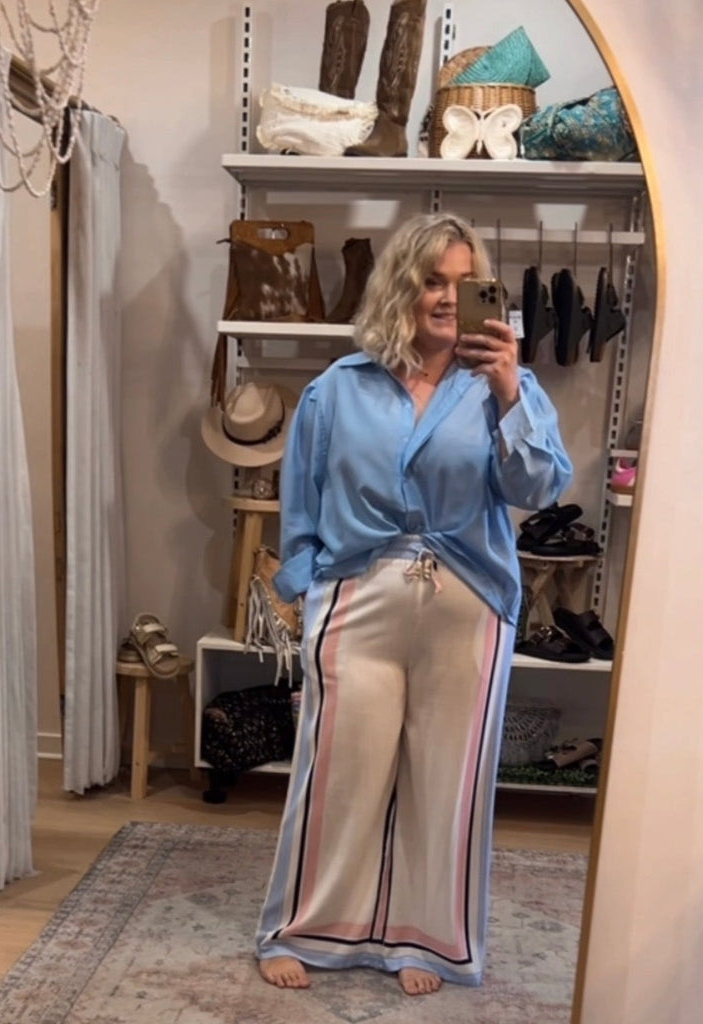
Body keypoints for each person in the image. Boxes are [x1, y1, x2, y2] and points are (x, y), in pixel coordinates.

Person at [254, 212, 573, 995]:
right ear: (401, 285)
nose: (449, 298)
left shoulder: (503, 388)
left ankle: (423, 940)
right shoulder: (340, 387)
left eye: (466, 283)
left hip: (468, 605)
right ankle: (302, 929)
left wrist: (507, 388)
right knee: (339, 772)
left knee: (445, 782)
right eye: (433, 280)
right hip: (358, 598)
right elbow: (301, 498)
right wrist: (311, 588)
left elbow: (539, 486)